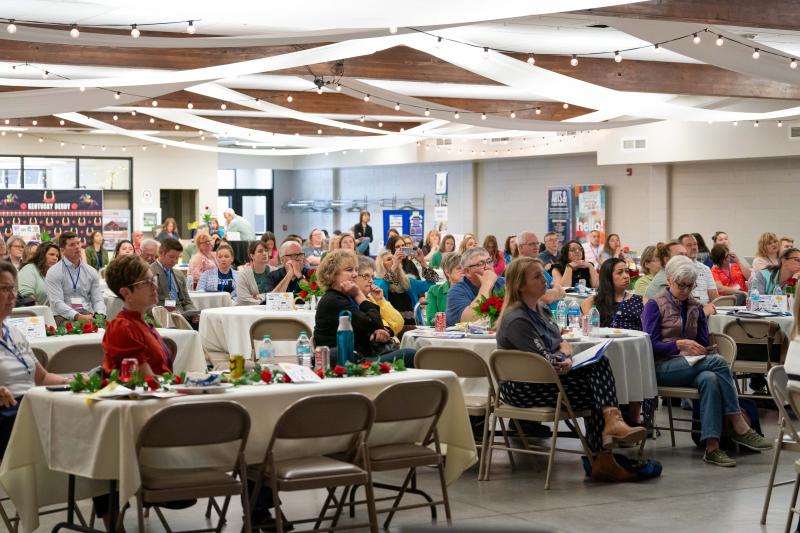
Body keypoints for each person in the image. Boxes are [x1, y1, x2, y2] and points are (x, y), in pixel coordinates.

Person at [496, 256, 645, 452]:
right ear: (521, 285)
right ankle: (603, 453)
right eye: (537, 277)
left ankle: (608, 436)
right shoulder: (517, 320)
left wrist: (564, 353)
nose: (545, 280)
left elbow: (561, 341)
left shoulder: (541, 309)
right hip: (523, 387)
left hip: (544, 379)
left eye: (543, 275)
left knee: (599, 364)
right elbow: (545, 360)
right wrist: (563, 356)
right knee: (596, 394)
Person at [642, 255, 771, 466]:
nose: (685, 290)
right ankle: (738, 423)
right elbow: (649, 345)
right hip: (661, 367)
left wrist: (701, 345)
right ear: (670, 280)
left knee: (710, 378)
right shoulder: (655, 305)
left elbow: (702, 341)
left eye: (689, 286)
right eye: (681, 285)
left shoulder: (695, 306)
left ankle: (712, 447)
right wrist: (679, 345)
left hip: (691, 366)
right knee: (718, 363)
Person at [0, 260, 72, 459]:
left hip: (31, 405)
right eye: (5, 289)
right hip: (10, 412)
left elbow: (41, 378)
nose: (13, 295)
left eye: (13, 289)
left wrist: (72, 381)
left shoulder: (14, 333)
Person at [312, 249, 415, 367]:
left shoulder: (340, 297)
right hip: (346, 363)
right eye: (349, 270)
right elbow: (374, 322)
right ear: (332, 274)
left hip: (354, 357)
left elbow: (377, 324)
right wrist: (359, 295)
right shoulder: (335, 301)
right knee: (411, 355)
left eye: (356, 270)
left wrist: (376, 331)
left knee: (410, 354)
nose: (355, 274)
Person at [102, 255, 174, 378]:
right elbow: (146, 380)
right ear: (126, 292)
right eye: (146, 282)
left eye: (153, 280)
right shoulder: (123, 328)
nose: (155, 286)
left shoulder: (141, 322)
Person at [45, 232, 106, 324]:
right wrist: (78, 316)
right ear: (62, 250)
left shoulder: (91, 271)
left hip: (87, 314)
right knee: (82, 328)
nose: (77, 247)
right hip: (62, 316)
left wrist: (100, 315)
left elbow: (97, 299)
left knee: (110, 329)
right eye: (72, 245)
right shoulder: (54, 272)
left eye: (78, 243)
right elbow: (57, 303)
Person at [374, 248, 437, 327]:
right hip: (393, 330)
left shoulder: (408, 282)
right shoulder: (378, 282)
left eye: (394, 258)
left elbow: (431, 284)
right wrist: (394, 266)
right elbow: (381, 291)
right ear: (381, 265)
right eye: (389, 259)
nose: (393, 260)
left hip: (413, 328)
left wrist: (422, 262)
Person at [446, 247, 505, 327]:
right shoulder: (456, 291)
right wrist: (487, 284)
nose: (488, 267)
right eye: (480, 264)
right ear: (467, 272)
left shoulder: (504, 283)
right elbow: (469, 320)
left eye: (489, 261)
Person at [581, 258, 644, 331]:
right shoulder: (591, 302)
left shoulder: (639, 301)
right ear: (608, 277)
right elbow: (588, 331)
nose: (626, 276)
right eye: (619, 272)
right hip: (602, 341)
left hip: (633, 341)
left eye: (627, 272)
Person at [150, 239, 198, 327]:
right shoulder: (150, 273)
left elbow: (186, 301)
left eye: (177, 258)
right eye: (171, 257)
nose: (175, 261)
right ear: (161, 253)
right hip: (163, 318)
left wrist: (193, 313)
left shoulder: (179, 274)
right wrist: (164, 317)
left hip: (182, 316)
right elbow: (149, 303)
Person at [356, 255, 404, 336]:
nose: (371, 280)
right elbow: (386, 281)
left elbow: (399, 323)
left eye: (372, 277)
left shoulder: (406, 281)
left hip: (391, 342)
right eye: (366, 276)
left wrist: (381, 301)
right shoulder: (380, 284)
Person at [516, 231, 566, 305]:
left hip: (554, 313)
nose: (536, 246)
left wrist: (554, 292)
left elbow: (562, 292)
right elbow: (546, 298)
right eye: (531, 244)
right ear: (520, 247)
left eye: (537, 243)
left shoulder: (537, 266)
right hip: (538, 314)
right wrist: (556, 291)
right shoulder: (520, 268)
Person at [678, 233, 719, 310]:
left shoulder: (705, 269)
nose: (694, 247)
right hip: (687, 310)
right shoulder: (676, 268)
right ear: (681, 248)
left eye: (695, 244)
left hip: (706, 311)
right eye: (689, 245)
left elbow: (714, 298)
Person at [425, 252, 461, 326]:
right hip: (443, 334)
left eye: (465, 268)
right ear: (447, 272)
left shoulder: (472, 290)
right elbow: (431, 321)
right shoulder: (434, 291)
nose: (463, 271)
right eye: (459, 268)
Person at [236, 241, 273, 305]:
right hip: (250, 313)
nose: (264, 253)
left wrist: (261, 297)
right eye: (260, 251)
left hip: (273, 311)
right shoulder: (243, 274)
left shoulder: (275, 271)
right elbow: (243, 300)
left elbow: (280, 294)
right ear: (252, 256)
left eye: (266, 250)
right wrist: (267, 302)